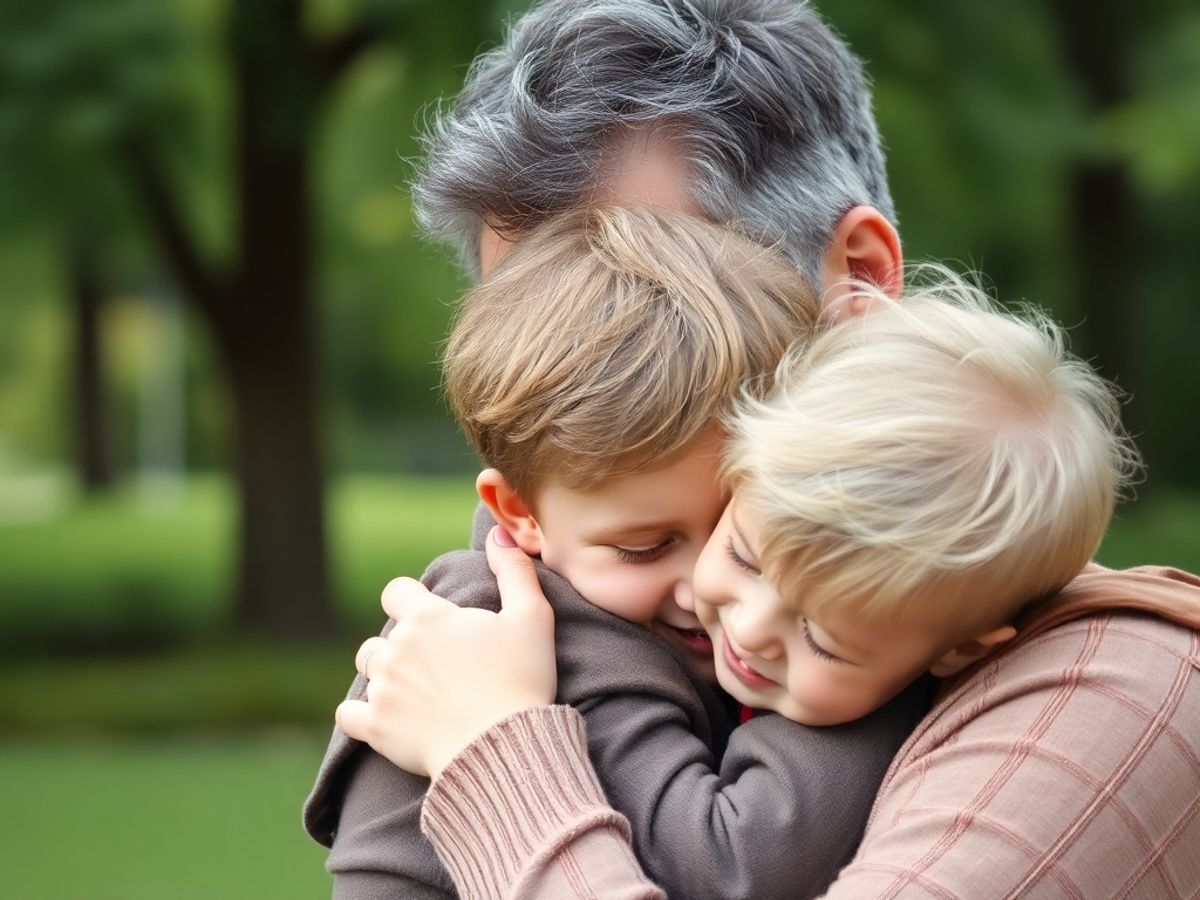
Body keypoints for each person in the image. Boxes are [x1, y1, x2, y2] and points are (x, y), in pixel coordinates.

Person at [317, 0, 1200, 895]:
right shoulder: (480, 630)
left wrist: (489, 753)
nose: (597, 379)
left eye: (669, 299)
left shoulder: (1102, 695)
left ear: (859, 285)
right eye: (538, 331)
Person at [341, 279, 1200, 898]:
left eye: (824, 637)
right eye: (746, 556)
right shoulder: (537, 623)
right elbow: (733, 868)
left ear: (964, 649)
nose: (747, 628)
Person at [306, 205, 936, 898]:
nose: (705, 584)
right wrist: (886, 649)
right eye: (646, 547)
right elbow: (735, 868)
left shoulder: (614, 586)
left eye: (742, 537)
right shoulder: (535, 632)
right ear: (520, 513)